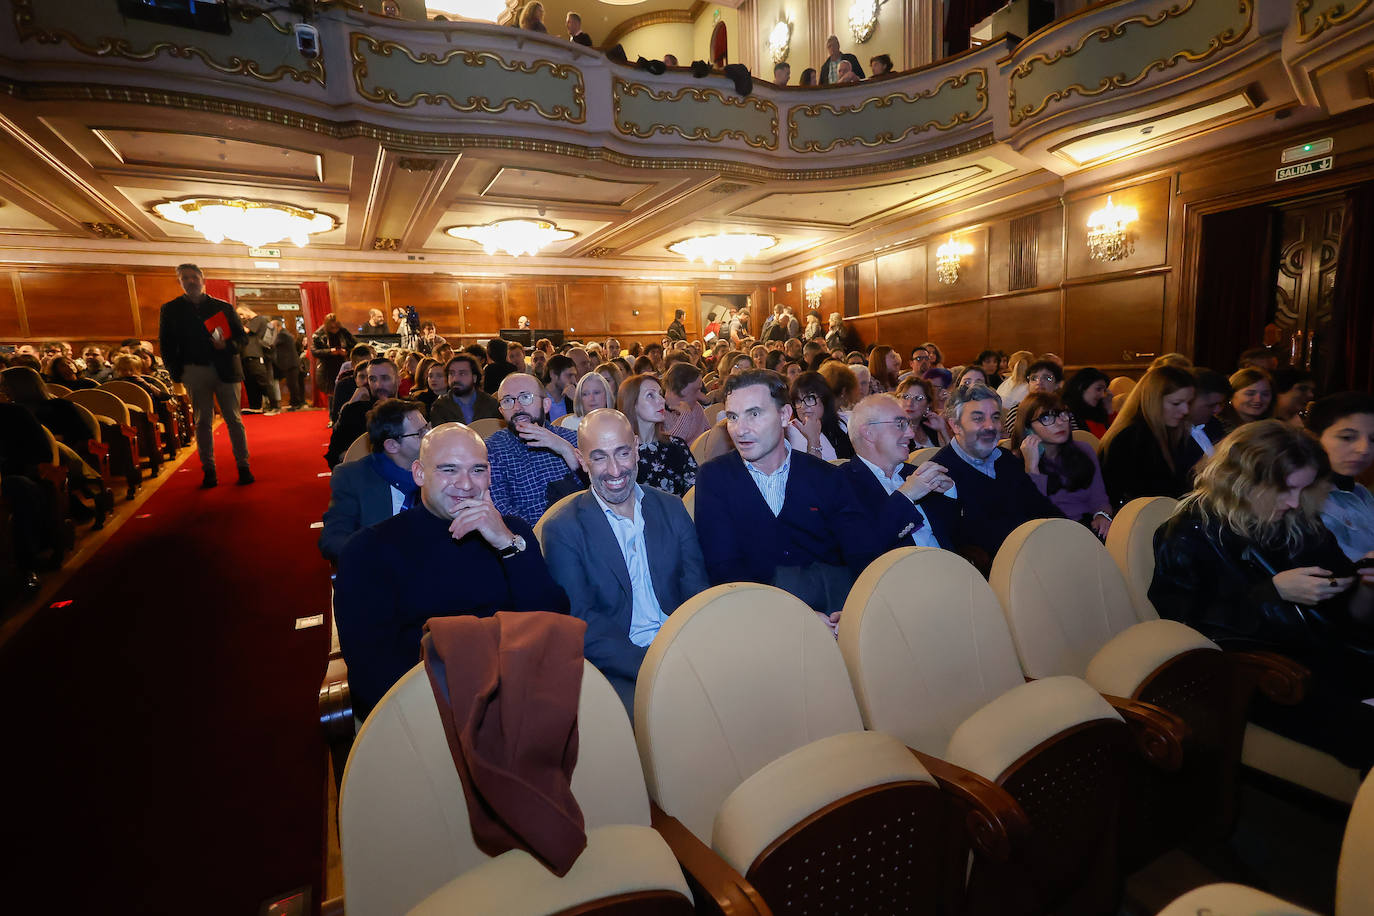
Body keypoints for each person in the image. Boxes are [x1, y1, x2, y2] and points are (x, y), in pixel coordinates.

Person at [1150, 421, 1374, 770]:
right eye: (1285, 489)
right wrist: (1273, 592)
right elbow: (1182, 625)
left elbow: (1343, 610)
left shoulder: (1301, 520)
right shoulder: (1189, 531)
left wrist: (1362, 583)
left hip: (1323, 650)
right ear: (1243, 481)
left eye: (1303, 488)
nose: (1295, 501)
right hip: (1257, 673)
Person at [334, 423, 568, 721]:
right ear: (419, 473)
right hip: (428, 714)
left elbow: (554, 624)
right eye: (449, 470)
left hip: (523, 701)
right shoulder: (370, 550)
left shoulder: (514, 533)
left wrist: (506, 544)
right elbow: (372, 675)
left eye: (477, 470)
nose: (467, 484)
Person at [540, 409, 708, 713]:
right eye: (600, 457)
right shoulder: (563, 529)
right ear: (582, 459)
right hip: (621, 668)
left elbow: (696, 589)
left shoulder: (671, 508)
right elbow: (582, 622)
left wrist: (692, 650)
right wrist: (654, 666)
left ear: (636, 447)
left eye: (622, 453)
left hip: (686, 646)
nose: (615, 470)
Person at [694, 369, 886, 625]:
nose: (740, 429)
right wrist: (795, 617)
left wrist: (853, 610)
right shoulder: (715, 478)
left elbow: (863, 554)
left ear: (784, 415)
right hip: (757, 620)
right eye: (732, 417)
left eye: (754, 413)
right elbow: (724, 571)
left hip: (836, 611)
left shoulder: (826, 477)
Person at [929, 383, 1061, 568]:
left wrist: (1067, 533)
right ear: (955, 425)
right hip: (994, 572)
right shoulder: (940, 474)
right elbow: (950, 542)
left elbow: (1041, 508)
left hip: (1038, 554)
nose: (990, 426)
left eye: (995, 417)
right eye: (978, 418)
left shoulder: (1006, 460)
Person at [158, 263, 252, 488]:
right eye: (185, 278)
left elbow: (242, 339)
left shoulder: (223, 307)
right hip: (194, 370)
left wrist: (226, 345)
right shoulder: (170, 309)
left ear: (203, 279)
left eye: (194, 277)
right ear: (180, 282)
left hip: (226, 369)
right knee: (202, 422)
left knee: (234, 420)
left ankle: (243, 466)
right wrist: (176, 373)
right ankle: (209, 469)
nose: (190, 281)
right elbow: (166, 344)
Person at [840, 393, 957, 553]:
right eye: (900, 424)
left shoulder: (915, 473)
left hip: (949, 568)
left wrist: (949, 492)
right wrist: (906, 496)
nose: (910, 433)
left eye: (908, 424)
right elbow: (863, 547)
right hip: (896, 575)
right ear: (869, 433)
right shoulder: (842, 483)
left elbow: (955, 534)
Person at [318, 398, 428, 563]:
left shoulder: (439, 471)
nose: (430, 436)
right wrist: (381, 557)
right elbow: (333, 540)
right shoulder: (352, 477)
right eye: (420, 433)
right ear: (391, 445)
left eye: (428, 427)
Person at [1097, 365, 1200, 509]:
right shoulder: (1129, 439)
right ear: (1153, 400)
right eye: (1176, 403)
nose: (1185, 410)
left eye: (1188, 403)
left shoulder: (1175, 432)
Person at [1012, 393, 1112, 539]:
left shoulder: (1083, 450)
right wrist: (1032, 467)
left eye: (1062, 414)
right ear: (1028, 428)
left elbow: (1099, 498)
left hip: (1086, 528)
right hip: (1045, 534)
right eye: (1046, 418)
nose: (1059, 422)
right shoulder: (1015, 460)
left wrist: (1101, 515)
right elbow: (1034, 514)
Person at [487, 372, 581, 525]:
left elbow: (600, 492)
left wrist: (566, 450)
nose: (517, 407)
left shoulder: (572, 439)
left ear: (546, 405)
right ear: (501, 411)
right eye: (507, 401)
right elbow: (501, 508)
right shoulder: (492, 450)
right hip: (530, 539)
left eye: (525, 397)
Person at [1308, 393, 1374, 563]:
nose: (1364, 449)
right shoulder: (1300, 499)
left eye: (1373, 439)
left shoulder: (1360, 491)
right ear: (1313, 438)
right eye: (1347, 437)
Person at [619, 373, 697, 496]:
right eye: (650, 395)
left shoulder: (677, 445)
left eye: (660, 394)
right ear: (632, 404)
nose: (662, 400)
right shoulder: (621, 454)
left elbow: (694, 492)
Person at [326, 357, 398, 468]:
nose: (378, 385)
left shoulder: (412, 411)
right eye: (373, 379)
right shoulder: (353, 411)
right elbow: (334, 455)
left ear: (398, 379)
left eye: (385, 378)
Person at [788, 370, 852, 460]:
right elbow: (812, 471)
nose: (803, 406)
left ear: (825, 399)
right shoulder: (790, 431)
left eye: (810, 398)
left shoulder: (846, 420)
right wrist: (813, 440)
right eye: (798, 401)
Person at [429, 354, 501, 426]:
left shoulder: (491, 404)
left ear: (474, 378)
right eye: (451, 374)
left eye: (462, 374)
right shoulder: (440, 407)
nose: (455, 379)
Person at [1002, 359, 1063, 433]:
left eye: (1047, 378)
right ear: (1028, 384)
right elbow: (1017, 439)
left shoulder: (1062, 409)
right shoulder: (1017, 411)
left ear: (1057, 384)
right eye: (1034, 378)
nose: (1039, 382)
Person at [311, 313, 356, 408]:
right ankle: (332, 415)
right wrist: (330, 352)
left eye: (336, 327)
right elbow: (314, 351)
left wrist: (347, 352)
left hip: (342, 364)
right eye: (332, 328)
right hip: (327, 367)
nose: (335, 330)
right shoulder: (318, 334)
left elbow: (354, 345)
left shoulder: (343, 332)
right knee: (331, 393)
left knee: (344, 389)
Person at [1186, 368, 1231, 457]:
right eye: (1211, 405)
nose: (1218, 410)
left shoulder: (1215, 425)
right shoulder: (1169, 435)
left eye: (1221, 404)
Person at [896, 375, 948, 449]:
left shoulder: (930, 426)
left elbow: (950, 457)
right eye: (905, 397)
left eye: (918, 398)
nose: (910, 403)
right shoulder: (893, 429)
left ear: (928, 404)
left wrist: (942, 430)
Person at [1218, 366, 1274, 434]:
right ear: (1231, 395)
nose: (1258, 400)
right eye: (1250, 394)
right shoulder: (1217, 427)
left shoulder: (1272, 428)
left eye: (1265, 394)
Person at [1064, 367, 1112, 438]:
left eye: (1104, 391)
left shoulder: (1100, 413)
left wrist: (1109, 408)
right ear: (1081, 387)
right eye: (1098, 389)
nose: (1102, 395)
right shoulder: (1068, 416)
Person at [269, 319, 305, 410]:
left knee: (292, 384)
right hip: (290, 363)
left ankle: (296, 404)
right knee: (292, 384)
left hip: (290, 363)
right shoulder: (285, 334)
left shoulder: (282, 334)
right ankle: (296, 403)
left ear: (279, 326)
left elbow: (272, 344)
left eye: (272, 327)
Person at [542, 354, 577, 421]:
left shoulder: (572, 397)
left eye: (575, 376)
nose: (574, 381)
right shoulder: (539, 399)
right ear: (553, 374)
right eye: (569, 375)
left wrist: (577, 401)